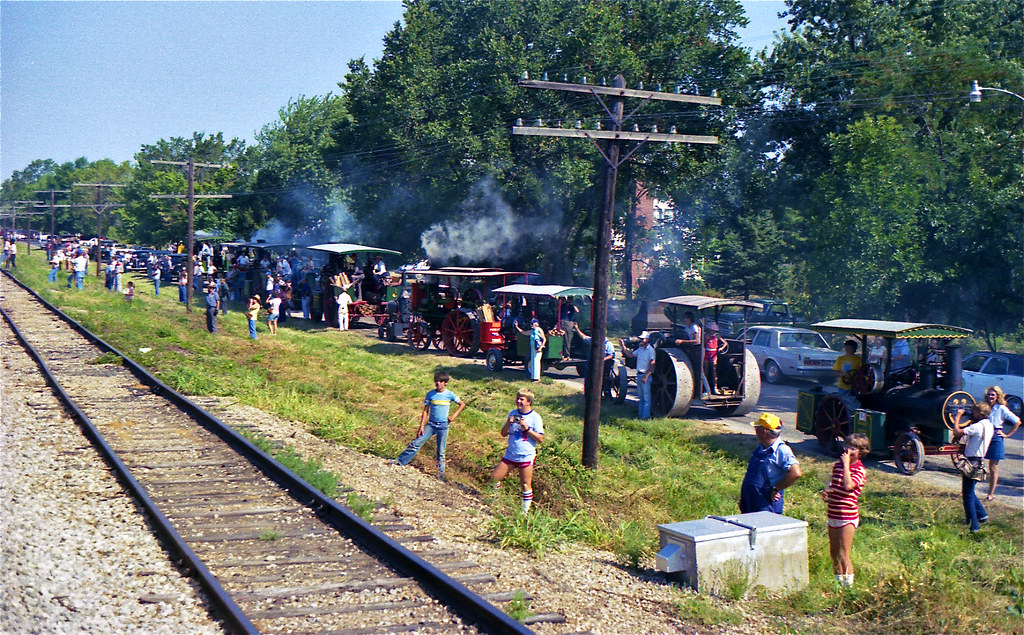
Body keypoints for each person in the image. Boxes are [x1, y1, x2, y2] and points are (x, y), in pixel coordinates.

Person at [393, 371, 466, 480]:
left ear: (445, 383)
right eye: (436, 381)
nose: (438, 383)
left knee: (441, 451)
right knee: (415, 443)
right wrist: (422, 426)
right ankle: (400, 461)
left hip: (443, 426)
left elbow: (462, 404)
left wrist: (453, 416)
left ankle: (440, 476)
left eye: (440, 381)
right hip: (431, 425)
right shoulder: (430, 394)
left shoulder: (449, 395)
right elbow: (425, 411)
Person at [822, 433, 870, 587]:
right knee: (834, 552)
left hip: (847, 515)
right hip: (833, 512)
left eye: (853, 448)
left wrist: (847, 465)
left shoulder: (859, 470)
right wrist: (827, 494)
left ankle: (848, 586)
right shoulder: (837, 467)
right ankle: (838, 585)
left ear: (861, 452)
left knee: (844, 553)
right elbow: (836, 488)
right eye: (847, 446)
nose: (848, 451)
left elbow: (848, 486)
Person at [490, 388, 544, 513]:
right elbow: (503, 433)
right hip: (510, 455)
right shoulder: (513, 413)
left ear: (529, 402)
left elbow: (540, 438)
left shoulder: (535, 417)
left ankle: (524, 513)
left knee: (525, 484)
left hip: (525, 456)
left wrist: (527, 429)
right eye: (517, 399)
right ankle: (495, 504)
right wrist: (508, 423)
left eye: (521, 399)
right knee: (494, 478)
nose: (518, 401)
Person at [740, 413, 802, 514]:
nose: (755, 431)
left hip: (765, 505)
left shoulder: (782, 450)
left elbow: (796, 473)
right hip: (750, 501)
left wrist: (776, 489)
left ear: (763, 432)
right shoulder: (761, 447)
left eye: (756, 428)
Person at [952, 403, 994, 533]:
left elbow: (957, 432)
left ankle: (973, 526)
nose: (972, 414)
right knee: (970, 491)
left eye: (974, 412)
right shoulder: (989, 425)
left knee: (968, 495)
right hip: (979, 461)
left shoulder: (977, 427)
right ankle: (982, 515)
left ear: (980, 414)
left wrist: (958, 417)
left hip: (971, 462)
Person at [983, 385, 1021, 501]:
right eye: (989, 394)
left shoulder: (1001, 408)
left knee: (993, 467)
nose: (990, 397)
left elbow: (1017, 422)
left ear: (997, 396)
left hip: (995, 436)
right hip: (984, 434)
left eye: (992, 395)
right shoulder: (984, 407)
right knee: (977, 463)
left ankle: (990, 494)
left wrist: (1007, 434)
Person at [620, 331, 656, 420]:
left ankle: (645, 417)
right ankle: (640, 416)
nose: (641, 340)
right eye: (641, 339)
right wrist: (623, 346)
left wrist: (646, 376)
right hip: (639, 374)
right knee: (641, 397)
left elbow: (653, 363)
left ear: (647, 339)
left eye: (643, 339)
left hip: (645, 375)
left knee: (646, 398)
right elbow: (630, 355)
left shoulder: (651, 350)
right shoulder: (640, 349)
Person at [575, 322, 615, 393]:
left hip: (602, 366)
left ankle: (600, 393)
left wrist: (602, 360)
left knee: (599, 381)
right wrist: (577, 329)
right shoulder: (593, 340)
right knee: (588, 379)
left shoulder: (608, 344)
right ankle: (587, 394)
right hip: (591, 364)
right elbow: (584, 337)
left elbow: (611, 355)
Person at [703, 322, 727, 395]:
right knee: (706, 372)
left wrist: (721, 348)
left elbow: (725, 343)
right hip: (707, 353)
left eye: (713, 330)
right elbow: (702, 343)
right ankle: (705, 389)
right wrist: (705, 339)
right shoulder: (706, 335)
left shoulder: (717, 335)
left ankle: (715, 388)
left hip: (713, 353)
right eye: (711, 330)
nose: (712, 331)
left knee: (714, 372)